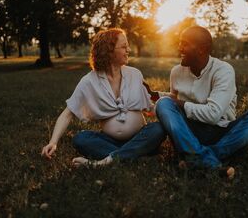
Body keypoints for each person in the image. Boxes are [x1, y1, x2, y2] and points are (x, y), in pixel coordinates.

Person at [148, 26, 248, 178]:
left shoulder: (223, 71)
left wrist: (178, 103)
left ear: (202, 49)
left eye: (185, 44)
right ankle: (210, 161)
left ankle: (197, 157)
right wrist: (154, 95)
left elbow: (213, 115)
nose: (180, 48)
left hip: (223, 133)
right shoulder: (176, 72)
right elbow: (173, 99)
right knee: (163, 104)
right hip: (189, 132)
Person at [41, 28, 165, 167]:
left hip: (138, 137)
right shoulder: (89, 81)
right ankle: (134, 157)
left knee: (158, 129)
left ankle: (103, 162)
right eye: (124, 47)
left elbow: (150, 105)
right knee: (81, 138)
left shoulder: (135, 74)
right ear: (109, 51)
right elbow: (67, 114)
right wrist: (53, 142)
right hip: (108, 141)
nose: (128, 50)